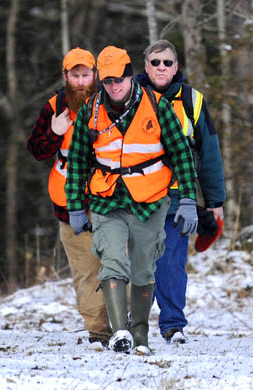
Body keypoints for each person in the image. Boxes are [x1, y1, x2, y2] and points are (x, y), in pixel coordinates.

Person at [65, 46, 198, 355]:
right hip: (106, 199)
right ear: (101, 81)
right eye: (108, 81)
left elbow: (181, 154)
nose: (115, 86)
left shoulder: (157, 107)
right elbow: (78, 161)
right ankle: (120, 331)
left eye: (120, 80)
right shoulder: (91, 111)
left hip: (149, 199)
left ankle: (140, 335)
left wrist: (189, 199)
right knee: (112, 261)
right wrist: (75, 206)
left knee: (143, 269)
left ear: (130, 76)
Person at [136, 39, 226, 344]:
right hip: (136, 199)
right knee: (137, 263)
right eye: (155, 62)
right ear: (145, 66)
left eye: (168, 63)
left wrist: (214, 201)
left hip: (178, 199)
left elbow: (209, 152)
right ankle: (133, 324)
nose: (162, 68)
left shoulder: (193, 101)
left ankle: (173, 325)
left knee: (171, 264)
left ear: (177, 67)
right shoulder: (129, 98)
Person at [27, 47, 112, 346]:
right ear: (65, 76)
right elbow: (36, 150)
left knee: (117, 264)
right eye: (74, 75)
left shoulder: (110, 101)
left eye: (85, 74)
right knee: (86, 271)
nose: (79, 81)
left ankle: (124, 324)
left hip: (111, 197)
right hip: (67, 201)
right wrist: (52, 131)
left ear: (95, 75)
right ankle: (99, 332)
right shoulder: (54, 106)